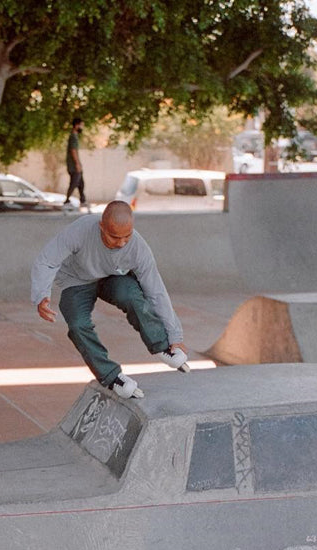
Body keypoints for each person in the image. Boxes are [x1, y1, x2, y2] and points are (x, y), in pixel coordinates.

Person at [31, 200, 189, 399]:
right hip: (76, 280)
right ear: (101, 227)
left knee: (130, 295)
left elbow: (155, 290)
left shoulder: (138, 247)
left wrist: (175, 336)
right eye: (114, 237)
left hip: (112, 278)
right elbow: (47, 260)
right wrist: (41, 294)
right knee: (78, 324)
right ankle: (111, 376)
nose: (121, 243)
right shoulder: (81, 230)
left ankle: (162, 346)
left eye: (126, 236)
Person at [65, 118, 87, 210]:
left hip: (75, 165)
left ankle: (83, 201)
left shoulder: (75, 136)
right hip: (73, 166)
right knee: (74, 183)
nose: (82, 127)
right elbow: (73, 150)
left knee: (81, 183)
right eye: (81, 125)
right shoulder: (73, 136)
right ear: (76, 125)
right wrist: (77, 164)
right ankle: (67, 201)